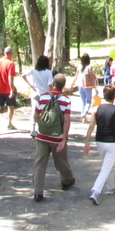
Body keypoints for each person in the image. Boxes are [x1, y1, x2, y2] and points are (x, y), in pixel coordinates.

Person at [82, 85, 115, 205]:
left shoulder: (96, 109)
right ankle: (95, 191)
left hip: (100, 141)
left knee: (107, 165)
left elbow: (91, 126)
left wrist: (87, 141)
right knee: (106, 167)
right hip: (113, 142)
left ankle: (111, 187)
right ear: (114, 97)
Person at [32, 74, 75, 202]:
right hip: (57, 137)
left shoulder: (43, 97)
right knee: (61, 161)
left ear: (53, 84)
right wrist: (64, 138)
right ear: (63, 86)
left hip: (42, 136)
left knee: (39, 163)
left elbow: (36, 115)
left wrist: (42, 125)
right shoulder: (66, 100)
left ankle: (37, 192)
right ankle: (67, 180)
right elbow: (66, 121)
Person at [21, 55, 53, 137]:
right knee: (45, 112)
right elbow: (50, 85)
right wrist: (52, 95)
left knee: (34, 111)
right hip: (45, 94)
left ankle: (33, 129)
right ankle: (43, 128)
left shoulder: (34, 70)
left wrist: (31, 85)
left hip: (35, 93)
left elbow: (23, 75)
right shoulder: (49, 72)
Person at [0, 46, 17, 134]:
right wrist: (12, 89)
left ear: (4, 53)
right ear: (11, 54)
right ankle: (9, 123)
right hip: (7, 90)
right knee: (11, 107)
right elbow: (10, 77)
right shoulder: (11, 63)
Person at [71, 53, 98, 123]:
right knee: (89, 101)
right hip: (88, 86)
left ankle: (83, 117)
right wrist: (95, 88)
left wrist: (72, 85)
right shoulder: (89, 67)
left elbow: (76, 76)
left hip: (80, 85)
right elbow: (92, 78)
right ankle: (84, 113)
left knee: (83, 101)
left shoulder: (79, 66)